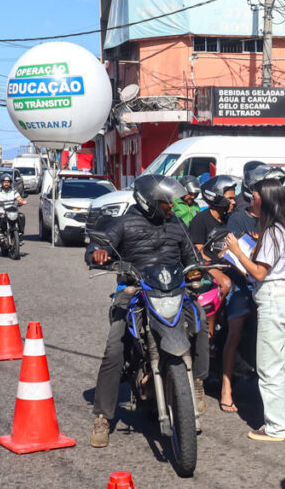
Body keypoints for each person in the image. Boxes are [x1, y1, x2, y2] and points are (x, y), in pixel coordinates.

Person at [85, 174, 205, 448]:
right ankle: (103, 416)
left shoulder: (175, 224)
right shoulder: (125, 222)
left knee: (200, 321)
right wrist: (97, 253)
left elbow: (190, 256)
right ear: (149, 202)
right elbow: (98, 244)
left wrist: (197, 271)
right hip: (134, 291)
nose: (171, 208)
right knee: (114, 347)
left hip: (172, 289)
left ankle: (196, 383)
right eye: (166, 204)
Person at [225, 178, 285, 442]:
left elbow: (260, 272)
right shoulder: (284, 228)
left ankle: (274, 427)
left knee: (269, 368)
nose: (250, 200)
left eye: (255, 196)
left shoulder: (272, 231)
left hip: (272, 297)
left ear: (266, 199)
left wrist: (237, 251)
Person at [188, 175, 237, 337]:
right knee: (225, 284)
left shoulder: (228, 220)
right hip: (206, 266)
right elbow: (198, 252)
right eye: (229, 199)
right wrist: (216, 263)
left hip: (226, 264)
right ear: (215, 197)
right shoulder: (200, 220)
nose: (234, 202)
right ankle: (211, 327)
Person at [0, 174, 27, 258]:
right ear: (1, 183)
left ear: (10, 183)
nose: (6, 184)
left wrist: (22, 201)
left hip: (12, 212)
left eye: (8, 182)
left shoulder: (13, 191)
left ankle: (20, 236)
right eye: (5, 182)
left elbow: (19, 198)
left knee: (22, 216)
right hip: (1, 213)